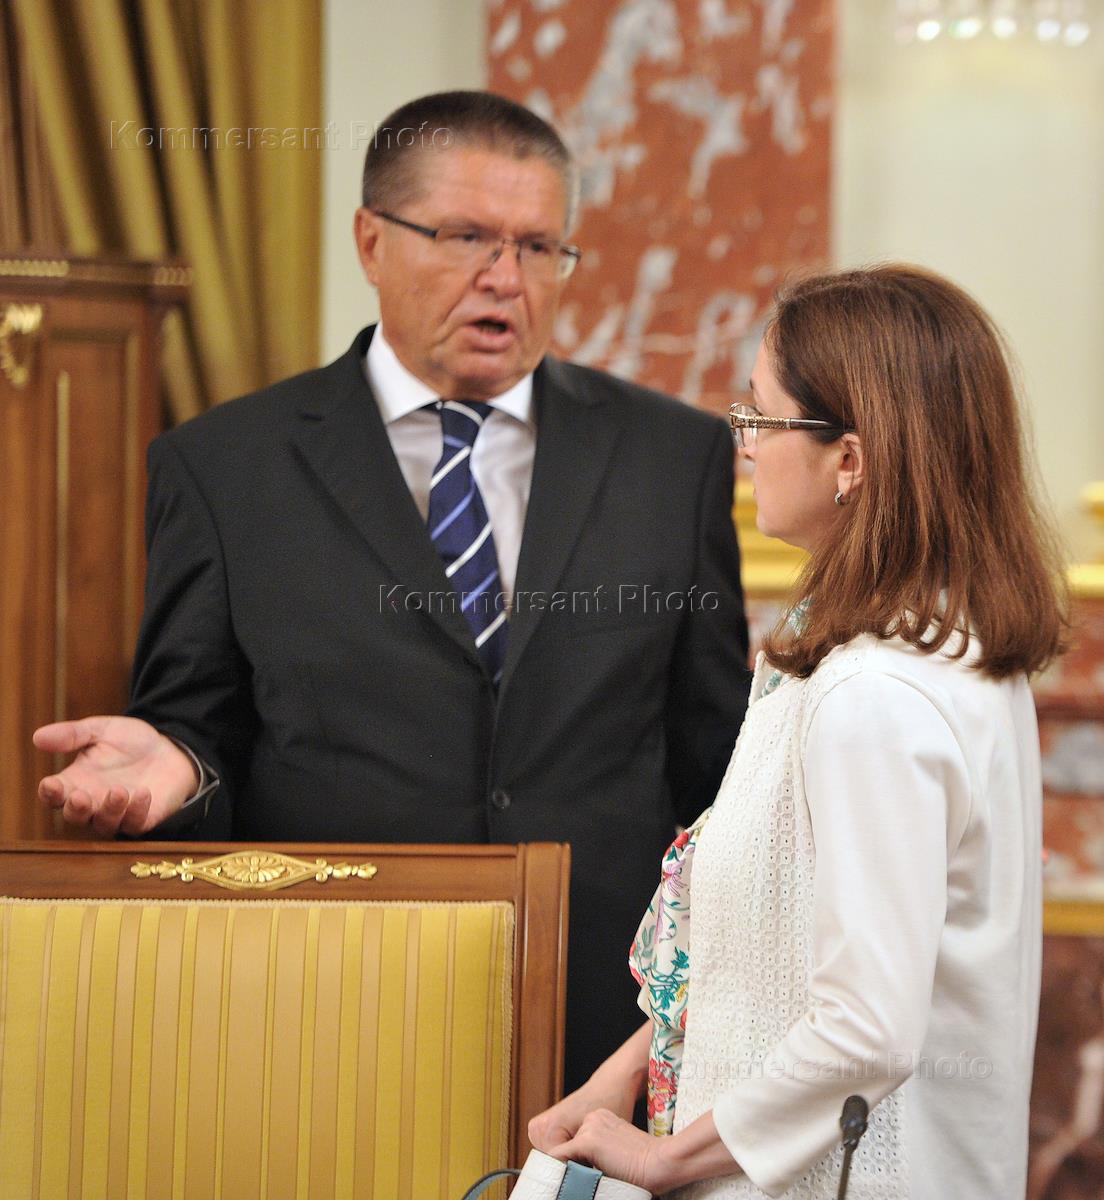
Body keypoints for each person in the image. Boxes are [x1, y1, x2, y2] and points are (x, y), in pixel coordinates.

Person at [33, 90, 751, 1093]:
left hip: (602, 1023)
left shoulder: (673, 457)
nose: (505, 278)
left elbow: (712, 761)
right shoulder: (226, 466)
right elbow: (201, 726)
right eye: (467, 237)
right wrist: (181, 770)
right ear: (371, 241)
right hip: (331, 1006)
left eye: (539, 247)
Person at [528, 264, 1067, 1197]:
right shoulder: (921, 650)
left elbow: (866, 1032)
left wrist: (663, 1157)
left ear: (848, 460)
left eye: (760, 418)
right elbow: (774, 944)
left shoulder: (876, 695)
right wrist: (624, 1074)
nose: (743, 445)